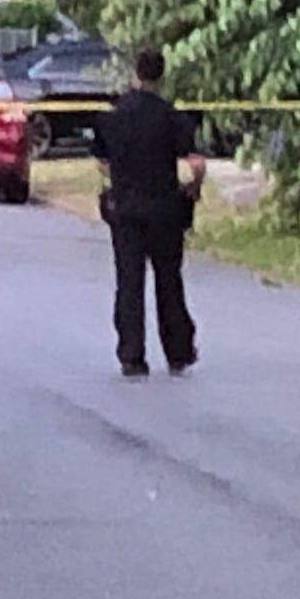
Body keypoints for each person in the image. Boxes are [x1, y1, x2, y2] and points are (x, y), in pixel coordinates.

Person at [91, 49, 204, 378]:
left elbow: (101, 160)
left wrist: (119, 176)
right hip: (165, 209)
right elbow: (196, 163)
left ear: (135, 74)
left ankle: (132, 356)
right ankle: (178, 352)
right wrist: (192, 188)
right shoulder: (171, 116)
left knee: (129, 282)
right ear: (161, 76)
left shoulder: (114, 115)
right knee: (169, 281)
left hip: (126, 209)